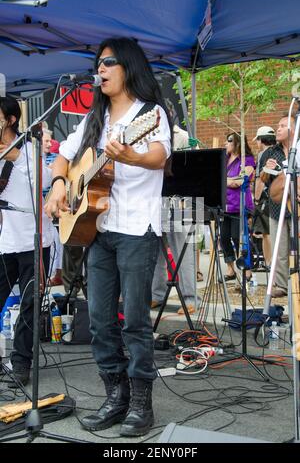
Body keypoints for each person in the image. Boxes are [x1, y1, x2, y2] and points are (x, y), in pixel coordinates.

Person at [44, 37, 172, 437]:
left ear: (128, 66)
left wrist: (130, 156)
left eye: (108, 62)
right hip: (97, 229)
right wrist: (60, 183)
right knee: (100, 321)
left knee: (134, 321)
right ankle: (114, 397)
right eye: (97, 64)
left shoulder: (149, 114)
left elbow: (158, 155)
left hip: (137, 228)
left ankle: (140, 405)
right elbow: (63, 155)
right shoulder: (94, 116)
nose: (100, 70)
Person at [0, 96, 53, 386]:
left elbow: (45, 182)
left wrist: (16, 159)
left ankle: (21, 363)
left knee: (29, 305)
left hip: (34, 240)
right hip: (4, 241)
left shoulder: (29, 149)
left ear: (9, 120)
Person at [151, 121, 199, 315]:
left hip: (180, 200)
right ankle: (156, 294)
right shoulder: (151, 135)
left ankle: (189, 298)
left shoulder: (183, 137)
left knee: (182, 251)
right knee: (156, 251)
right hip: (156, 197)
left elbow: (192, 169)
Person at [260, 114, 295, 297]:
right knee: (279, 250)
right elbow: (263, 180)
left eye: (283, 125)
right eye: (278, 125)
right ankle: (281, 285)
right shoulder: (271, 152)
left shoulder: (297, 150)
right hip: (276, 209)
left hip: (296, 208)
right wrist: (267, 168)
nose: (278, 128)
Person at [220, 132, 255, 281]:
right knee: (224, 238)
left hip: (239, 205)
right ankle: (230, 270)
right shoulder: (225, 159)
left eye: (229, 141)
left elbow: (240, 181)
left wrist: (225, 179)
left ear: (238, 143)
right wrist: (230, 180)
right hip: (224, 205)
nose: (226, 143)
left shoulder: (247, 160)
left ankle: (247, 270)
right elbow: (226, 180)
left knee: (238, 237)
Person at [252, 126, 276, 268]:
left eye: (258, 140)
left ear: (261, 140)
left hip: (266, 198)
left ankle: (269, 263)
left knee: (266, 233)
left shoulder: (263, 155)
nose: (257, 143)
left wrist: (256, 200)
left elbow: (260, 179)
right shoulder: (279, 151)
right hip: (279, 196)